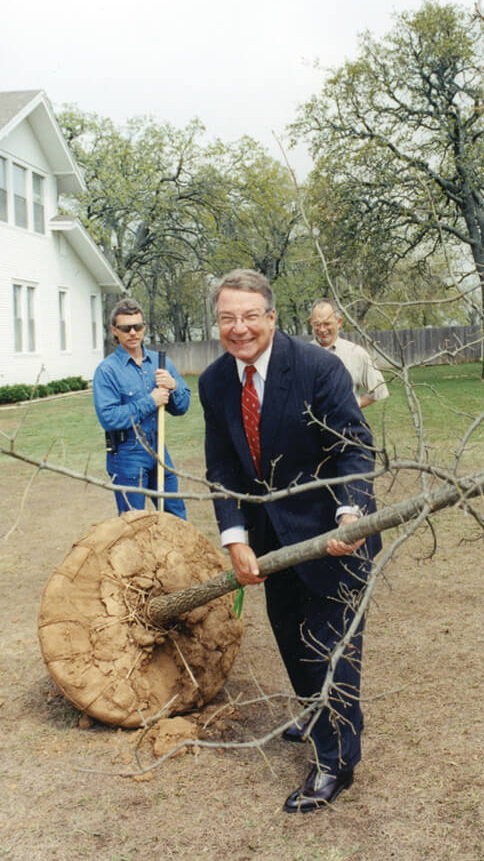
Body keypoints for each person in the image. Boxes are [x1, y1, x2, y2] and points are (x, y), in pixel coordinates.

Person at [198, 269, 380, 813]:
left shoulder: (317, 367)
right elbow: (222, 465)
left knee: (333, 650)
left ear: (272, 318)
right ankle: (314, 712)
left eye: (251, 315)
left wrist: (352, 514)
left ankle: (335, 763)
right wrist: (235, 537)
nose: (240, 328)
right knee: (293, 640)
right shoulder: (213, 383)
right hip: (271, 544)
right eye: (228, 317)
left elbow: (353, 447)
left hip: (334, 535)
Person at [93, 297, 190, 518]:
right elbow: (109, 418)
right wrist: (151, 401)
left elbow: (182, 407)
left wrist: (173, 386)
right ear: (114, 331)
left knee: (176, 517)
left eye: (138, 326)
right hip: (127, 454)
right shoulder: (107, 371)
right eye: (126, 328)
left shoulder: (161, 362)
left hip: (159, 450)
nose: (133, 333)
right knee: (134, 524)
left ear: (144, 327)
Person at [309, 299, 389, 410]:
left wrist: (351, 407)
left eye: (327, 324)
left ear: (339, 322)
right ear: (310, 322)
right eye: (317, 324)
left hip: (345, 426)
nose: (322, 329)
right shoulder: (302, 355)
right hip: (310, 425)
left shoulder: (356, 353)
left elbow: (378, 390)